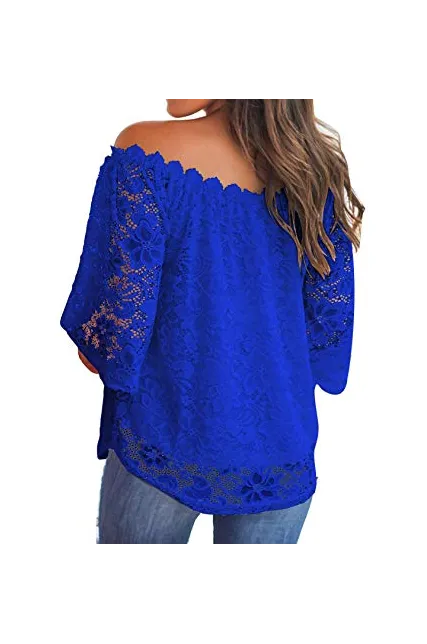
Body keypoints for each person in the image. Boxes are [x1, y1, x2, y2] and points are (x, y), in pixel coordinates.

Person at [60, 97, 364, 544]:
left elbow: (113, 340)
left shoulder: (146, 154)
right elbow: (326, 329)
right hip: (279, 451)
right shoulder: (314, 170)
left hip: (163, 438)